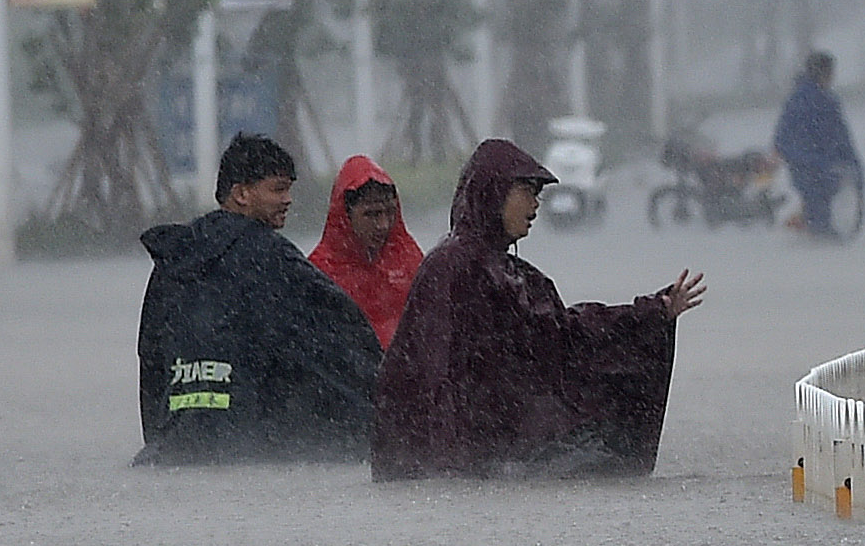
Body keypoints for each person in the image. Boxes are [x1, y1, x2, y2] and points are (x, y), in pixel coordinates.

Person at [372, 138, 706, 480]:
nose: (535, 205)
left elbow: (567, 336)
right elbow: (430, 373)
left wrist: (651, 313)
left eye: (538, 195)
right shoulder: (451, 267)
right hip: (466, 465)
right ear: (494, 193)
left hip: (501, 456)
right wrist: (445, 468)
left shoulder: (517, 275)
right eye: (527, 192)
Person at [135, 132, 381, 465]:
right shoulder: (272, 258)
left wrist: (160, 434)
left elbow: (151, 361)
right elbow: (341, 340)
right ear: (241, 194)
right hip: (248, 449)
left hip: (174, 446)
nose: (289, 199)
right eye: (278, 188)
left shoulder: (174, 259)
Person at [307, 155, 424, 350]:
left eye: (389, 212)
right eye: (371, 214)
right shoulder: (318, 272)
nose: (383, 225)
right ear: (345, 214)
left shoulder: (409, 260)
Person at [771, 50, 860, 239]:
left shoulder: (799, 100)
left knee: (817, 207)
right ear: (824, 73)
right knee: (819, 214)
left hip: (809, 166)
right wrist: (846, 163)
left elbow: (782, 139)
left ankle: (809, 231)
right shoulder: (823, 102)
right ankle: (816, 241)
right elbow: (841, 138)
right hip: (817, 167)